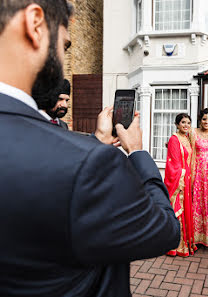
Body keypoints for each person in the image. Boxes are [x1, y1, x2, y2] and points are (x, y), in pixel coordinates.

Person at [0, 2, 180, 296]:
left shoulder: (83, 156)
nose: (63, 56)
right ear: (35, 24)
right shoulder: (90, 163)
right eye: (65, 44)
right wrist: (137, 153)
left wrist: (94, 142)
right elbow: (165, 231)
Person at [165, 113, 197, 257]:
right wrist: (182, 180)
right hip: (180, 182)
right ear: (177, 124)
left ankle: (187, 244)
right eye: (183, 122)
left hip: (188, 180)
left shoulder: (187, 138)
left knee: (187, 211)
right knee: (179, 210)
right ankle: (177, 246)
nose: (186, 125)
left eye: (188, 123)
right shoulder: (174, 139)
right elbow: (173, 164)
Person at [191, 108, 208, 247]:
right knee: (197, 202)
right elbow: (184, 143)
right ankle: (196, 237)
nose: (206, 122)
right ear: (200, 120)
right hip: (197, 173)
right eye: (204, 119)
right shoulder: (193, 133)